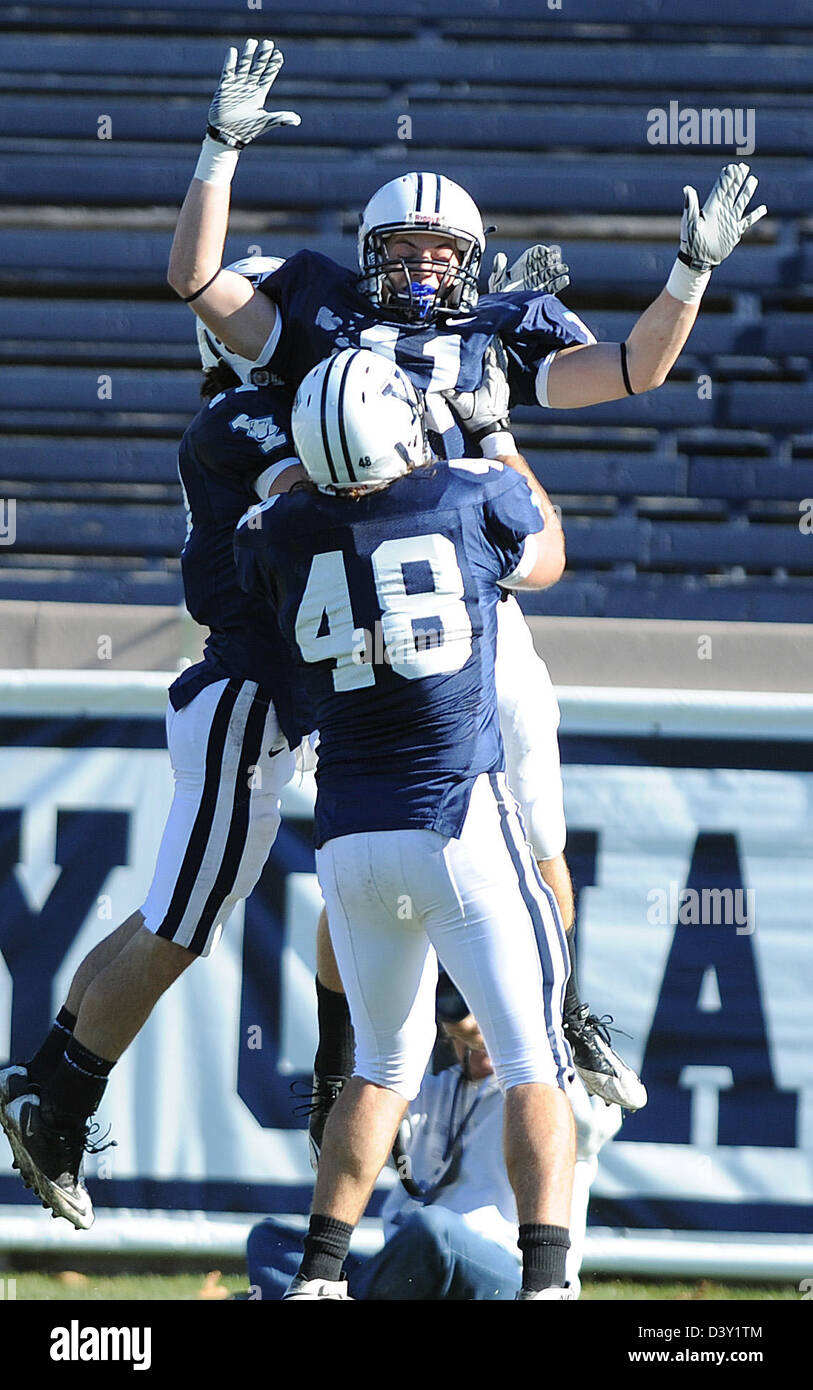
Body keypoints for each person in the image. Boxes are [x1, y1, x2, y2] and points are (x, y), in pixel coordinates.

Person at [167, 37, 766, 1123]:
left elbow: (631, 369)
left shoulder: (504, 331)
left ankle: (560, 1011)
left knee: (537, 823)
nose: (425, 266)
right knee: (353, 837)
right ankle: (337, 1060)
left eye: (444, 250)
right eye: (403, 247)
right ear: (365, 253)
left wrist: (689, 275)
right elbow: (200, 283)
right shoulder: (317, 308)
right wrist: (218, 151)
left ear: (478, 263)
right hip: (351, 610)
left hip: (472, 606)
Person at [234, 347, 578, 1301]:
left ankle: (317, 1278)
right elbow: (546, 554)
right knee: (531, 1057)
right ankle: (548, 1284)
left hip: (345, 835)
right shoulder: (469, 494)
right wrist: (497, 433)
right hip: (453, 815)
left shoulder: (274, 531)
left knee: (379, 1067)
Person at [0, 313, 310, 1230]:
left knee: (165, 919)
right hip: (246, 700)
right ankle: (63, 1112)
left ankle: (44, 1078)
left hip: (247, 707)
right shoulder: (245, 418)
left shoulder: (254, 411)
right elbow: (318, 494)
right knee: (175, 934)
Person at [246, 1012, 621, 1300]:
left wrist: (521, 1038)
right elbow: (359, 1137)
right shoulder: (436, 1090)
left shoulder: (549, 1090)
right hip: (412, 1268)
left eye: (490, 1015)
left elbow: (599, 1114)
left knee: (434, 1232)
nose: (479, 1035)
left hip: (511, 1274)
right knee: (271, 1241)